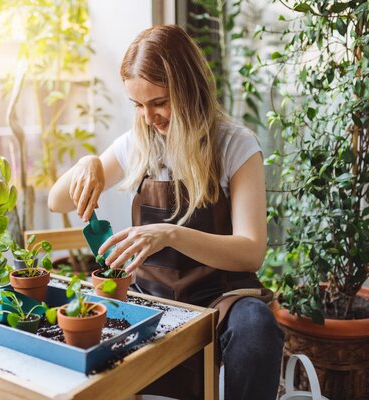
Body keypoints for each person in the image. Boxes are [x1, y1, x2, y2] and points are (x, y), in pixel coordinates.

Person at [48, 24, 284, 400]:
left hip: (222, 296)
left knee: (257, 330)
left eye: (159, 102)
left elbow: (251, 250)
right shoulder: (138, 144)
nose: (148, 117)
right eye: (138, 105)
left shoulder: (235, 145)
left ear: (190, 88)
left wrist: (170, 233)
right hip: (150, 294)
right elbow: (56, 202)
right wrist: (87, 163)